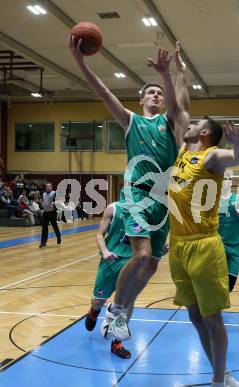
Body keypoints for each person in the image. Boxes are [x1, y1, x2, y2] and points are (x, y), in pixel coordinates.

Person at [70, 37, 188, 340]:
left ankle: (118, 308)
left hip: (163, 199)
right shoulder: (132, 121)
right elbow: (103, 91)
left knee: (150, 265)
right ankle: (119, 310)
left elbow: (178, 104)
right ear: (140, 100)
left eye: (159, 93)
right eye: (150, 92)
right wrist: (81, 62)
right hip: (137, 194)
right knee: (141, 254)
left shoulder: (168, 122)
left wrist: (168, 72)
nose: (157, 95)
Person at [168, 116, 239, 386]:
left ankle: (217, 381)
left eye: (194, 124)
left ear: (203, 132)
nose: (186, 125)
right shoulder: (182, 151)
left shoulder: (211, 156)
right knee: (193, 315)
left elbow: (236, 157)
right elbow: (178, 109)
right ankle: (222, 374)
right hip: (178, 245)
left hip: (203, 245)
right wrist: (174, 73)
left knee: (211, 317)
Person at [84, 201, 133, 359]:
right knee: (98, 301)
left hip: (131, 262)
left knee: (127, 304)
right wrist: (104, 251)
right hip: (110, 260)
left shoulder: (147, 211)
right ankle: (94, 311)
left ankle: (117, 342)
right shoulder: (113, 208)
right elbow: (99, 235)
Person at [218, 176, 239, 291]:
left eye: (227, 178)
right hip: (217, 246)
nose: (224, 181)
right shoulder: (213, 199)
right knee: (216, 283)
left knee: (229, 286)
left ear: (231, 182)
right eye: (222, 178)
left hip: (235, 247)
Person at [40, 182, 61, 248]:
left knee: (54, 226)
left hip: (52, 212)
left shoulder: (54, 193)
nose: (48, 187)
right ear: (45, 187)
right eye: (47, 186)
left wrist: (54, 203)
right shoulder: (43, 194)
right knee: (44, 228)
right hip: (45, 213)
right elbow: (42, 202)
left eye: (49, 186)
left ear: (51, 187)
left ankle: (58, 236)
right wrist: (41, 203)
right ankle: (43, 242)